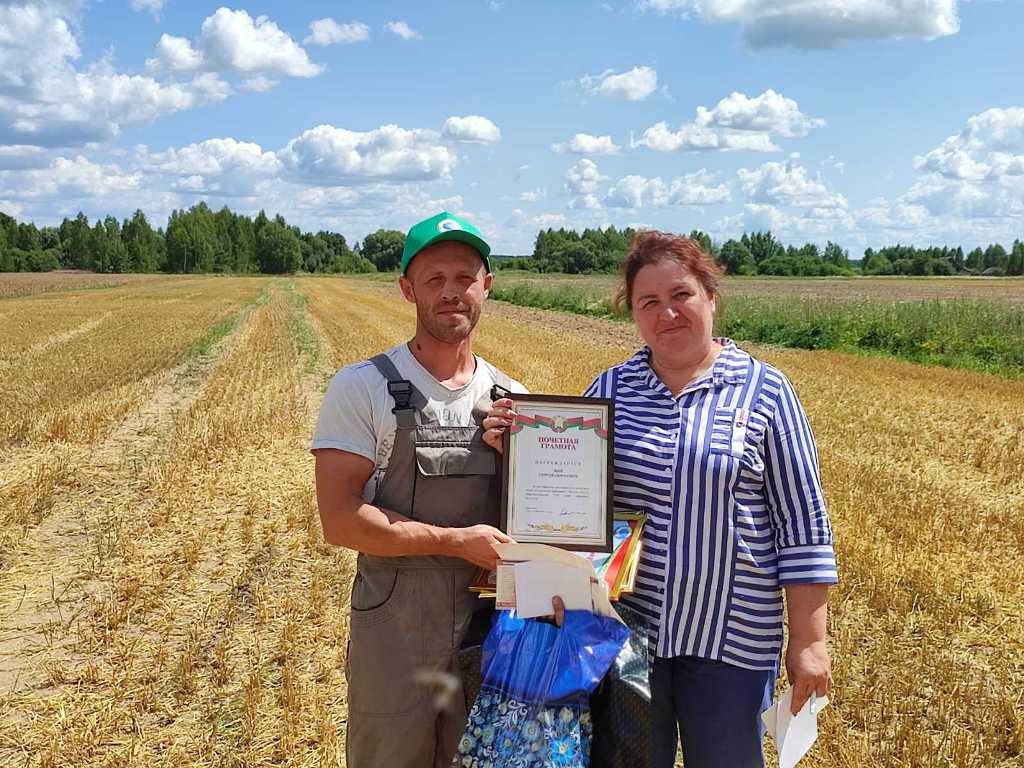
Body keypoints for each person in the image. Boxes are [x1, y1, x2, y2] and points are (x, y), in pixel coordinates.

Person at [483, 231, 837, 768]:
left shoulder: (766, 392)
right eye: (649, 302)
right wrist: (517, 443)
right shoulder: (612, 389)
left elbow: (802, 526)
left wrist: (810, 642)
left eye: (682, 295)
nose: (668, 313)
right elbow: (572, 494)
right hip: (627, 635)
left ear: (711, 298)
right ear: (634, 314)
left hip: (731, 641)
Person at [312, 211, 525, 768]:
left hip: (487, 625)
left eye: (464, 277)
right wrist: (457, 542)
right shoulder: (364, 388)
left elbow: (534, 525)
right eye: (434, 279)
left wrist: (516, 464)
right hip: (394, 625)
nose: (451, 292)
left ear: (487, 286)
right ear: (407, 288)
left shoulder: (514, 400)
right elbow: (339, 521)